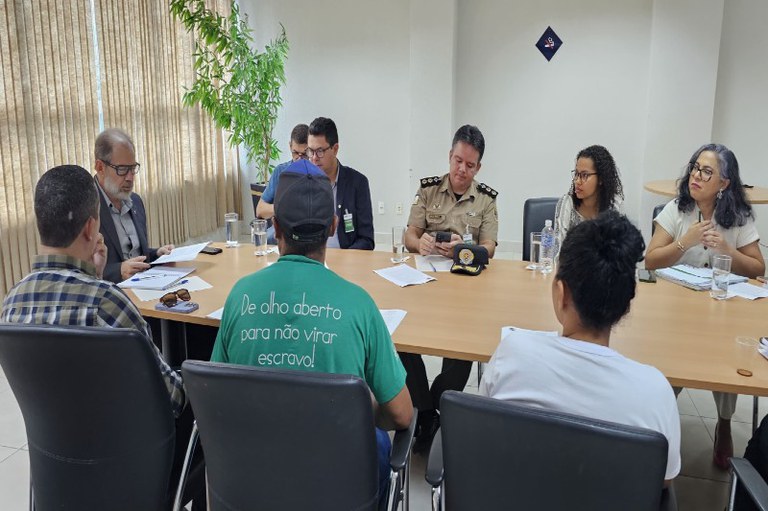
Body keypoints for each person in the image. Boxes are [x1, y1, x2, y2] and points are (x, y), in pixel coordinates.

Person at [1, 165, 204, 509]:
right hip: (133, 474)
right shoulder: (106, 303)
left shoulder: (11, 304)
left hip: (57, 473)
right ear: (90, 227)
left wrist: (93, 275)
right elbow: (172, 398)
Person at [210, 159, 413, 495]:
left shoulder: (239, 296)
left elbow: (217, 395)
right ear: (333, 226)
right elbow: (402, 414)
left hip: (253, 483)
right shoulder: (359, 304)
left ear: (276, 227)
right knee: (377, 443)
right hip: (336, 487)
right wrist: (361, 409)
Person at [480, 211, 681, 485]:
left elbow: (485, 434)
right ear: (626, 304)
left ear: (561, 293)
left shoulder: (512, 353)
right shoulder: (655, 391)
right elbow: (664, 480)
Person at [646, 143, 765, 469]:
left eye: (706, 172)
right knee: (669, 367)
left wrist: (727, 249)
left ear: (724, 183)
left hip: (720, 311)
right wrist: (685, 241)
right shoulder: (677, 209)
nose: (696, 176)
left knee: (726, 356)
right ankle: (661, 418)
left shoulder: (738, 217)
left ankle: (724, 422)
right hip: (675, 311)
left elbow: (758, 268)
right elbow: (651, 260)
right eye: (695, 168)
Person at [400, 124, 498, 454]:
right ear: (450, 156)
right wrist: (421, 243)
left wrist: (465, 247)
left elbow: (490, 247)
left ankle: (433, 404)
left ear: (478, 167)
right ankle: (426, 411)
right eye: (458, 161)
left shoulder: (486, 199)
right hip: (424, 284)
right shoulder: (428, 189)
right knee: (402, 340)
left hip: (464, 290)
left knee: (462, 349)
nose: (461, 170)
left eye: (470, 165)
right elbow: (410, 235)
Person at [93, 128, 175, 283]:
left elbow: (135, 255)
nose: (130, 178)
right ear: (100, 167)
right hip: (110, 293)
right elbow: (77, 271)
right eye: (122, 169)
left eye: (132, 168)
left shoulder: (135, 201)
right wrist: (118, 271)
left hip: (145, 287)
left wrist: (157, 254)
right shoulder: (85, 207)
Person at [305, 116, 375, 250]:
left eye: (320, 151)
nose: (314, 158)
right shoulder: (302, 182)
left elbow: (366, 240)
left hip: (346, 256)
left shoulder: (357, 183)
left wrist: (344, 258)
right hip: (311, 257)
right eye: (310, 151)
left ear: (335, 149)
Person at [554, 144, 624, 248]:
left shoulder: (614, 204)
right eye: (576, 174)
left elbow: (617, 248)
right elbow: (559, 248)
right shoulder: (568, 203)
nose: (577, 181)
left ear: (601, 178)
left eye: (584, 175)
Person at [256, 123, 309, 243]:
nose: (299, 158)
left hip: (308, 230)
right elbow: (260, 210)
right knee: (265, 239)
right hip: (282, 229)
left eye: (304, 154)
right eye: (295, 153)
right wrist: (283, 208)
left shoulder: (318, 174)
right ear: (290, 146)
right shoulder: (280, 171)